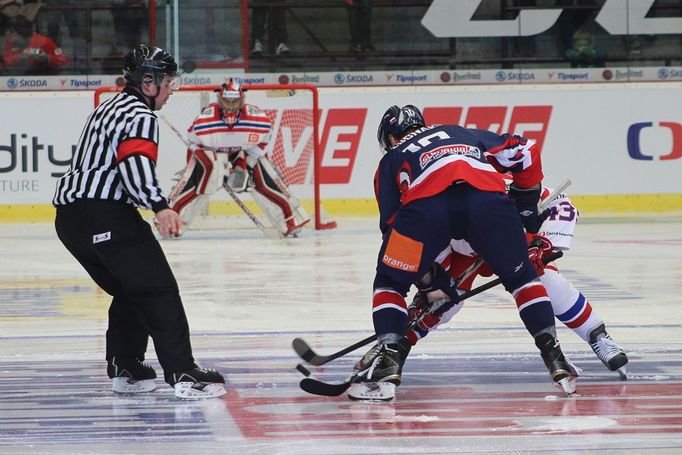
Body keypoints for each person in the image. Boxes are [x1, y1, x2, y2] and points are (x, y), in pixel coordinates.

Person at [347, 104, 574, 401]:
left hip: (426, 210)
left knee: (390, 283)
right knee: (524, 281)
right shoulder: (459, 133)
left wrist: (427, 278)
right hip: (488, 204)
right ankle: (554, 354)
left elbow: (394, 230)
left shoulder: (390, 160)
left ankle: (387, 364)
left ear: (390, 137)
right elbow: (526, 150)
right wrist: (527, 202)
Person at [52, 44, 226, 399]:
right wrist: (159, 206)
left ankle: (126, 365)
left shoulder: (108, 107)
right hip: (106, 213)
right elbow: (134, 165)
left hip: (71, 221)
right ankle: (183, 373)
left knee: (131, 288)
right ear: (148, 82)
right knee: (157, 289)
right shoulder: (141, 116)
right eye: (167, 82)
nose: (171, 90)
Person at [406, 185, 629, 378]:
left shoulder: (504, 184)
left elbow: (560, 202)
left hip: (509, 241)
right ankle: (396, 347)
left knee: (546, 281)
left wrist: (545, 244)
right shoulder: (437, 196)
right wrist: (431, 285)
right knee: (442, 301)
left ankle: (597, 335)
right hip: (462, 250)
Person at [169, 78, 310, 237]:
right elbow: (194, 144)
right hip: (212, 152)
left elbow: (264, 141)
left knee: (263, 181)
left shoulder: (257, 118)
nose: (230, 106)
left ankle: (290, 219)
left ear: (242, 100)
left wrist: (248, 162)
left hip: (241, 152)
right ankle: (170, 218)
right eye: (226, 101)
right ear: (219, 100)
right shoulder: (205, 119)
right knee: (201, 184)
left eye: (234, 101)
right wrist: (211, 166)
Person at [2, 14, 68, 75]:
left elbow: (63, 60)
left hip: (43, 79)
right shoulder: (8, 41)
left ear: (21, 31)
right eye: (6, 30)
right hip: (16, 78)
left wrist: (46, 58)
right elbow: (5, 62)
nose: (7, 33)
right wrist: (21, 56)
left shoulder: (44, 41)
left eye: (11, 31)